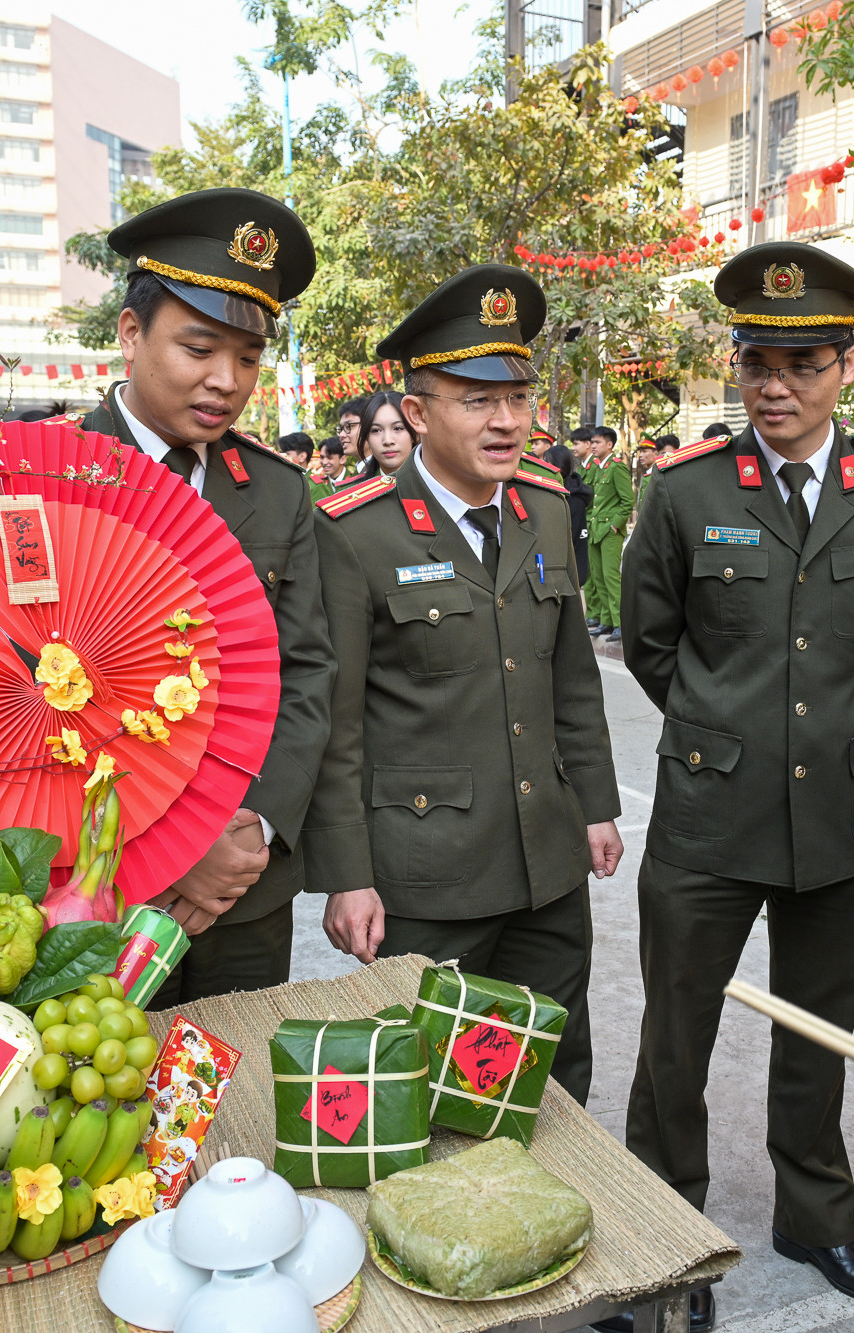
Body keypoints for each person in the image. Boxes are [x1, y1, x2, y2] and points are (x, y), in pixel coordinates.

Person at [613, 240, 854, 1327]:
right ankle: (669, 1237)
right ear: (736, 367)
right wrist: (727, 731)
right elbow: (651, 646)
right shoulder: (684, 490)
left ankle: (813, 1216)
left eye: (802, 365)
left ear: (846, 365)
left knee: (817, 1030)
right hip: (709, 811)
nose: (776, 387)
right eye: (757, 363)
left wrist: (832, 732)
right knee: (675, 1035)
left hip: (845, 813)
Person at [303, 265, 623, 1106]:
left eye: (518, 395)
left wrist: (593, 803)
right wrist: (347, 872)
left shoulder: (545, 507)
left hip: (545, 864)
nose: (507, 419)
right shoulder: (356, 533)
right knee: (432, 1090)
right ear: (415, 414)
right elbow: (336, 722)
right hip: (425, 876)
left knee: (554, 1082)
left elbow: (571, 679)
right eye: (476, 400)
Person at [76, 187, 335, 999]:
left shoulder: (275, 491)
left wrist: (250, 827)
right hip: (86, 879)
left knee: (237, 1105)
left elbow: (306, 675)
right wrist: (159, 847)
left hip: (240, 885)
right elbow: (6, 692)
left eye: (249, 358)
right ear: (130, 331)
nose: (226, 381)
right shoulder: (39, 472)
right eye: (198, 348)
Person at [584, 426, 633, 641]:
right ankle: (606, 621)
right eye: (592, 442)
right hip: (596, 529)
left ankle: (620, 623)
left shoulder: (616, 468)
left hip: (609, 531)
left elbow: (628, 501)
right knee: (598, 577)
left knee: (611, 577)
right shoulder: (599, 468)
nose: (593, 446)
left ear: (609, 445)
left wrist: (615, 525)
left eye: (597, 442)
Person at [548, 435, 593, 587]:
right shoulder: (562, 491)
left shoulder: (573, 497)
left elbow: (569, 537)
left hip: (569, 570)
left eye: (547, 463)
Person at [352, 389, 416, 479]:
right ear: (367, 438)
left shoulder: (437, 485)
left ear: (415, 433)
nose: (388, 441)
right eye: (376, 430)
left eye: (398, 428)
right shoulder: (354, 492)